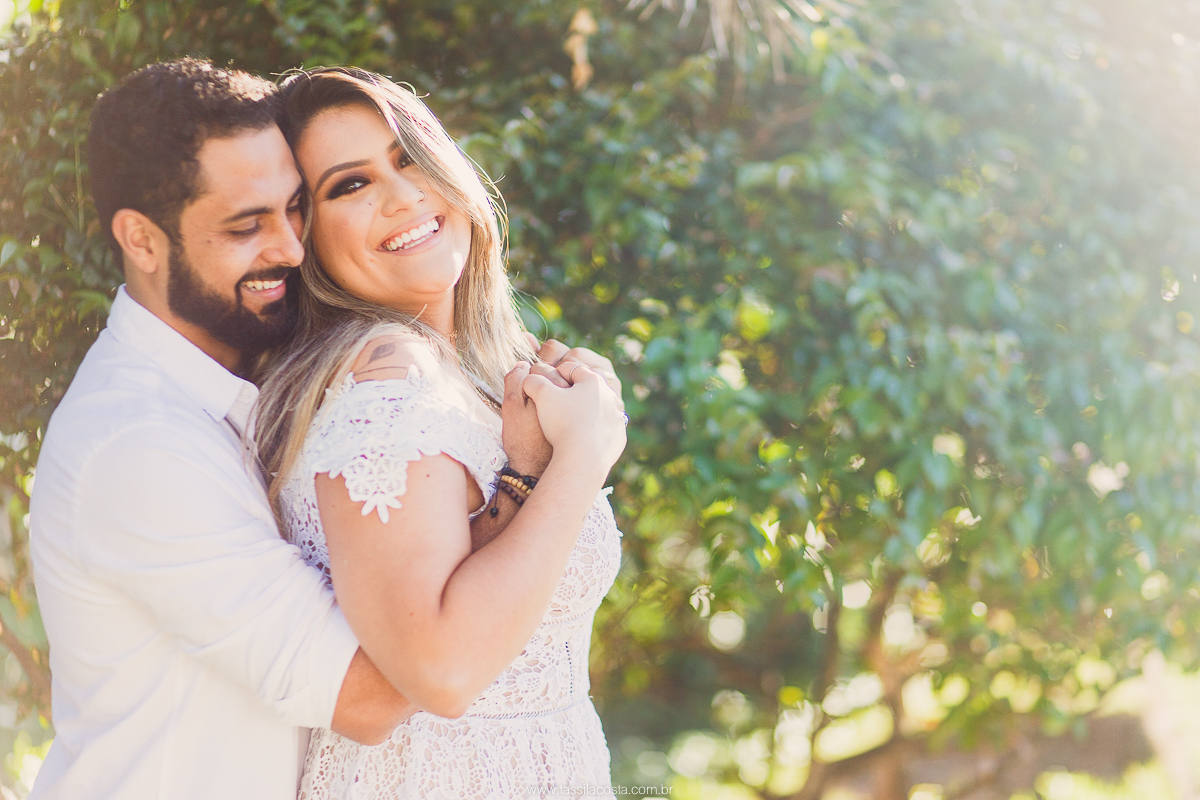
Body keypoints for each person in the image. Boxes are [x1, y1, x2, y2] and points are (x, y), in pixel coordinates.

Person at [28, 58, 614, 800]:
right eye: (250, 224)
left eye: (293, 209)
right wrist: (563, 467)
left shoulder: (242, 390)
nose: (290, 249)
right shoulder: (140, 444)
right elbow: (394, 683)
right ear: (142, 242)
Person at [252, 66, 627, 798]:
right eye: (349, 186)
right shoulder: (383, 385)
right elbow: (442, 671)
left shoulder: (480, 372)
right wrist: (584, 454)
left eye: (407, 158)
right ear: (306, 235)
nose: (403, 196)